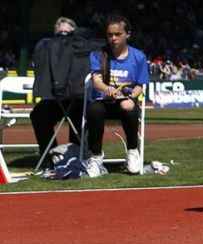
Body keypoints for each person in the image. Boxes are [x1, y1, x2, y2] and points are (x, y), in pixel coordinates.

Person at [85, 16, 149, 176]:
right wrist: (109, 90)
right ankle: (96, 157)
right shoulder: (98, 54)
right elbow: (97, 82)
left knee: (128, 106)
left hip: (124, 103)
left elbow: (139, 87)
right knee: (94, 110)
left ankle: (133, 151)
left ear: (128, 34)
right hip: (104, 102)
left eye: (117, 34)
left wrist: (130, 95)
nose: (113, 38)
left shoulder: (138, 56)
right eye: (109, 35)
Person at [29, 17, 84, 163]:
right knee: (38, 114)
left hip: (76, 99)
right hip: (53, 99)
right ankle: (50, 156)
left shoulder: (81, 48)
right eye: (60, 33)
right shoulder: (46, 47)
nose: (63, 36)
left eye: (67, 33)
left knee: (83, 113)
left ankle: (77, 153)